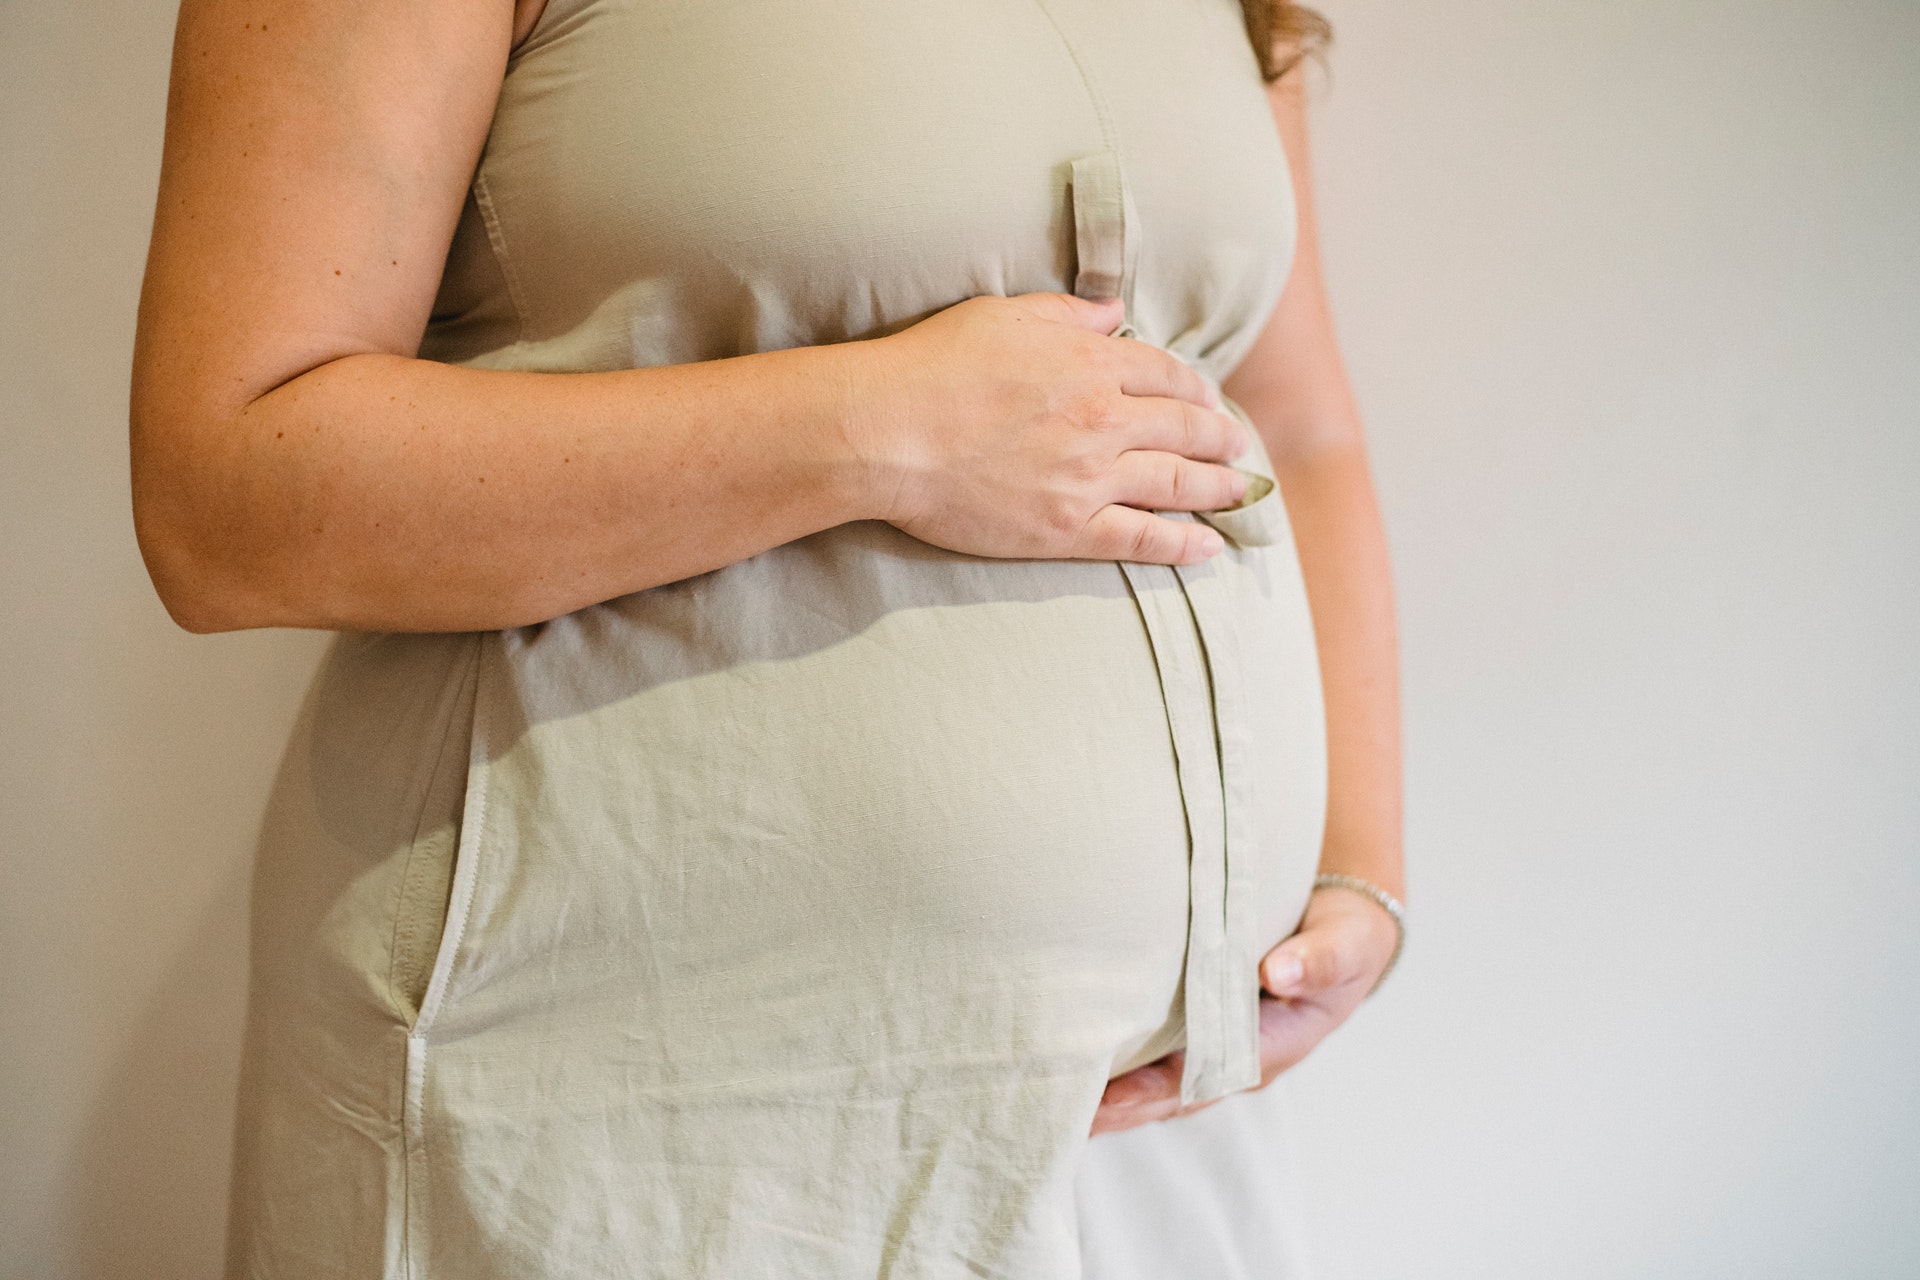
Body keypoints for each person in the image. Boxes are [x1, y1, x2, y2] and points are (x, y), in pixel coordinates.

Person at [131, 0, 1404, 1275]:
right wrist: (884, 430)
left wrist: (1359, 868)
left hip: (1148, 1123)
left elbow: (1295, 424)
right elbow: (224, 490)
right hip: (624, 1112)